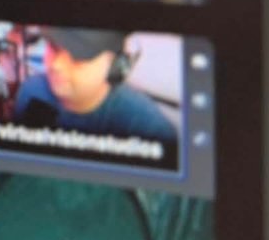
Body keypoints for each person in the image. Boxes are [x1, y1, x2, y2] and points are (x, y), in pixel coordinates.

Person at [12, 28, 178, 158]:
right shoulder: (31, 91)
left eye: (78, 58)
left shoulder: (149, 130)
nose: (56, 65)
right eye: (54, 48)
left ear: (115, 67)